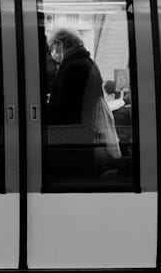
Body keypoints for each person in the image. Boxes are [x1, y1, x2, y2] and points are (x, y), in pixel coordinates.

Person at [45, 27, 120, 181]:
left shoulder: (73, 67)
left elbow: (65, 109)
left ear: (60, 44)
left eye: (53, 47)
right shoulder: (87, 63)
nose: (53, 53)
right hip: (83, 139)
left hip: (71, 143)